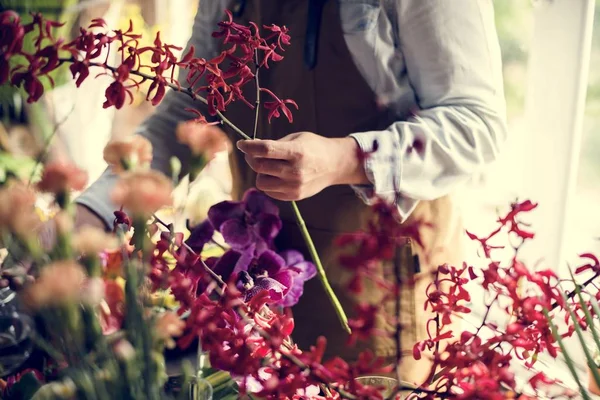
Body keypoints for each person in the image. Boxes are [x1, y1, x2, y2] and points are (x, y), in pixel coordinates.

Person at [71, 0, 506, 384]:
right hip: (257, 284)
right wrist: (96, 210)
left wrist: (347, 159)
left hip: (374, 295)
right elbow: (188, 113)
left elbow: (476, 125)